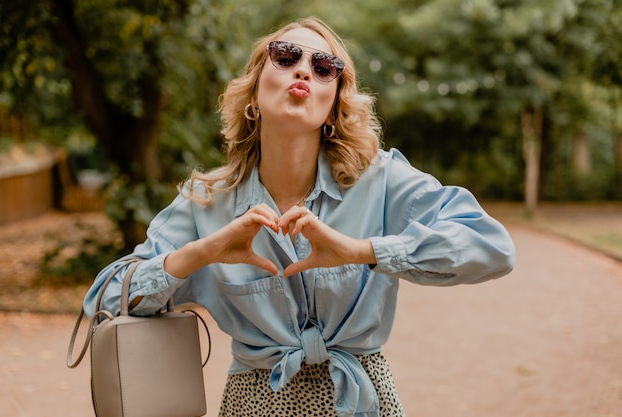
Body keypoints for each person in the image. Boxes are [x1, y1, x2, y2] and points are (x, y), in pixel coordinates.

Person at [84, 17, 516, 417]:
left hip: (363, 400)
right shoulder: (207, 201)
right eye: (287, 56)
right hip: (254, 405)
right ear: (255, 90)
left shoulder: (381, 179)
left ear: (334, 102)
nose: (304, 70)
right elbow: (103, 300)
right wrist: (201, 252)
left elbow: (492, 247)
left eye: (325, 66)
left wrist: (362, 250)